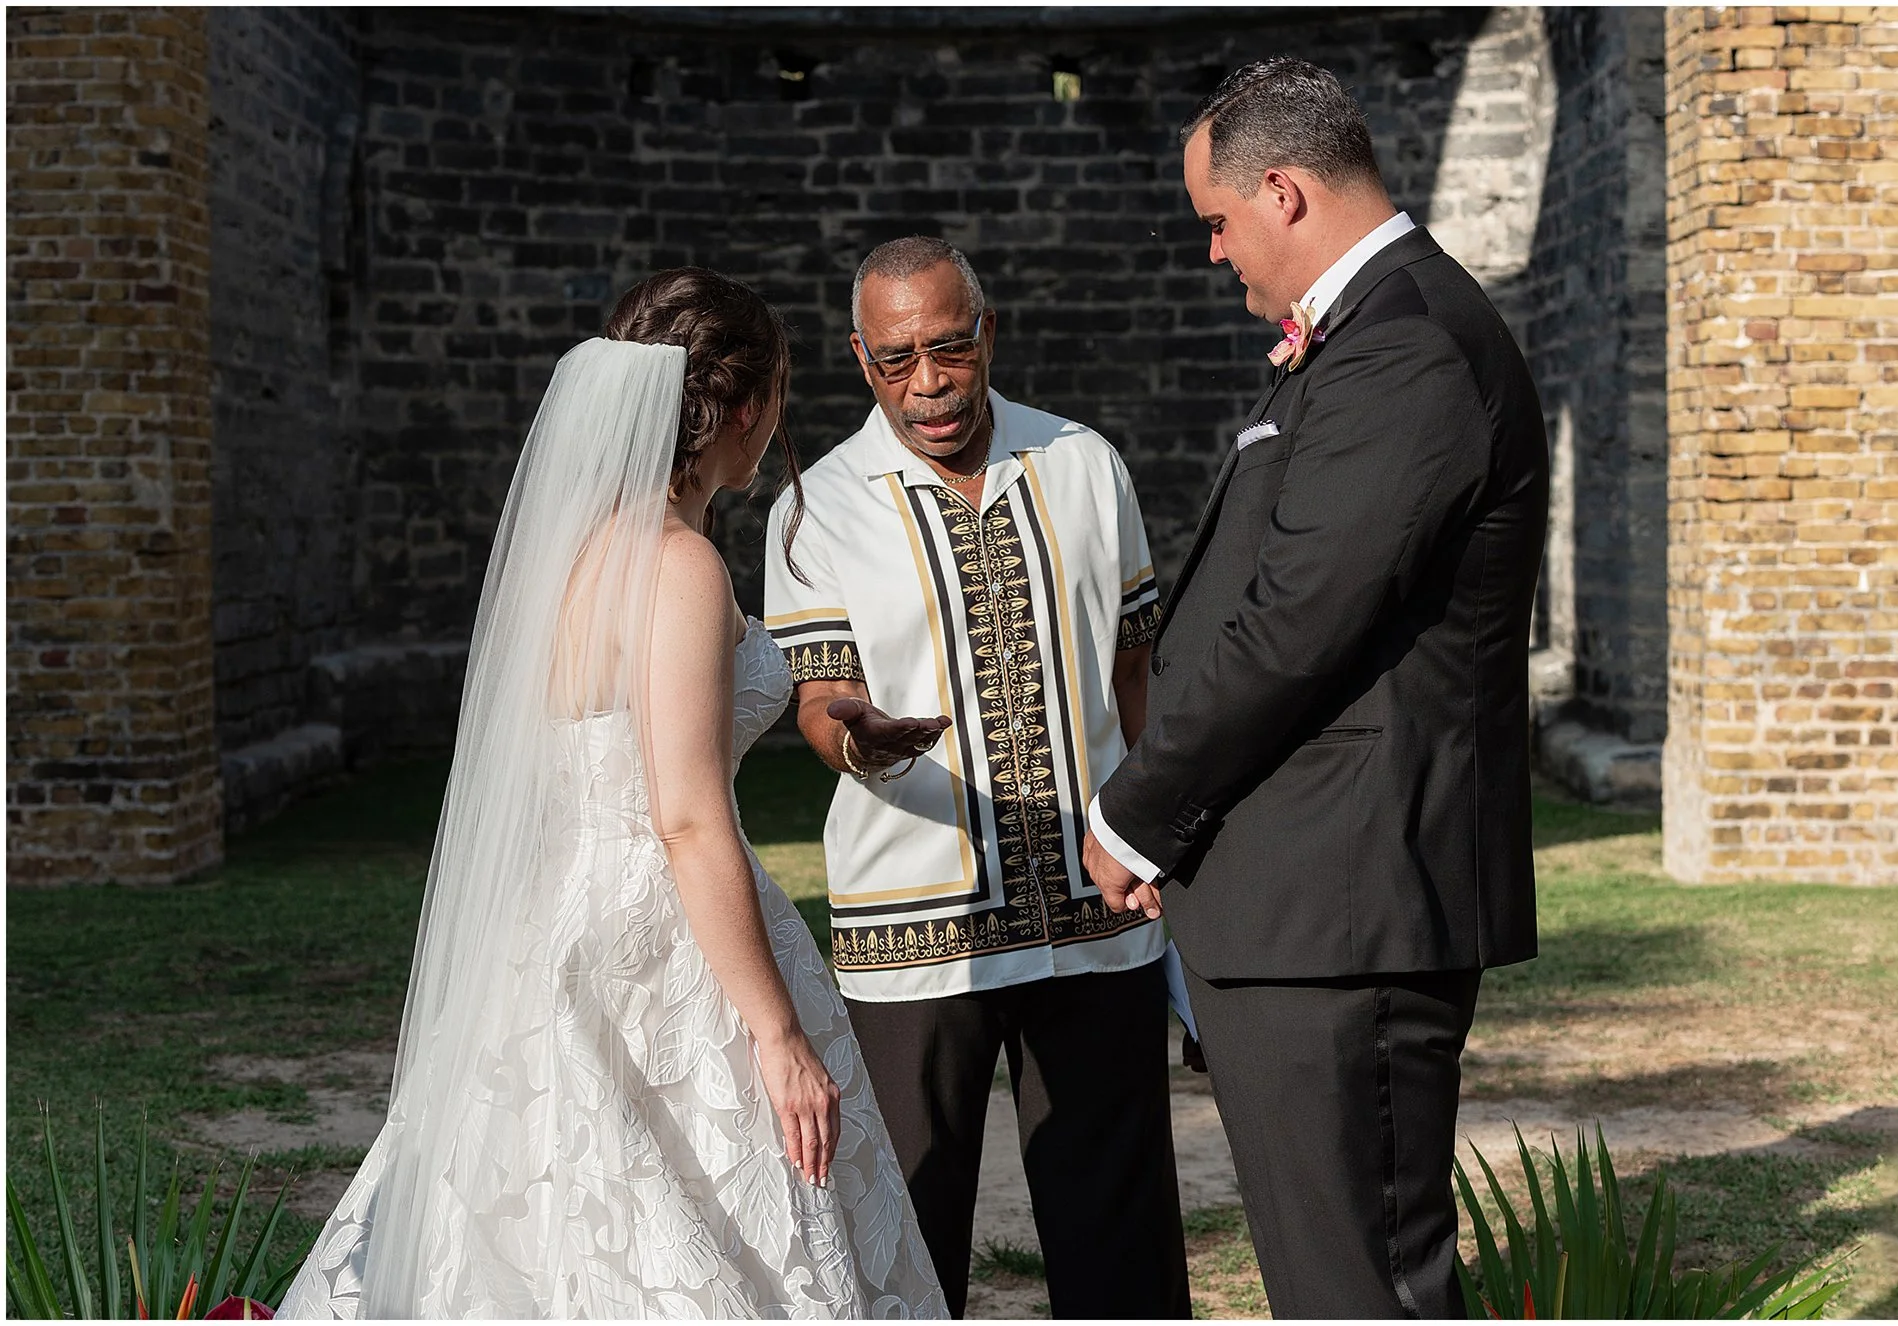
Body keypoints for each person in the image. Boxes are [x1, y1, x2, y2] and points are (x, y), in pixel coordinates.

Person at [277, 269, 946, 1319]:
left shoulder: (571, 558)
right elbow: (682, 817)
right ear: (745, 407)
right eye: (775, 400)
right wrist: (775, 1032)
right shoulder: (677, 565)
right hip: (664, 938)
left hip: (560, 926)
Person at [1081, 59, 1549, 1318]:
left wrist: (1136, 809)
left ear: (1282, 192)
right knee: (1326, 1279)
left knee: (1361, 1287)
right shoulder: (1367, 338)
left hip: (1348, 905)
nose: (1215, 255)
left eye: (1217, 223)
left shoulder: (1407, 349)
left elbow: (1299, 622)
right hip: (1306, 902)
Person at [763, 236, 1190, 1319]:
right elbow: (820, 698)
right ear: (860, 359)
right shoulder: (816, 508)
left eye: (948, 347)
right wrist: (856, 736)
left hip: (1100, 915)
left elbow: (1137, 665)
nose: (929, 382)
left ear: (987, 333)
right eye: (897, 359)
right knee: (906, 1242)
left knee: (1123, 1243)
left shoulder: (1086, 463)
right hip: (916, 935)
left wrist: (1162, 848)